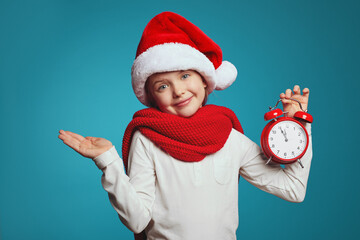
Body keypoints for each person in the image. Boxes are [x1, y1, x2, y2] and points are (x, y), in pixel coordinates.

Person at [58, 12, 312, 240]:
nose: (178, 91)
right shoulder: (146, 139)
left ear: (204, 80)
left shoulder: (230, 138)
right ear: (152, 97)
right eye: (163, 85)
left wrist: (298, 126)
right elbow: (137, 220)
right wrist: (109, 162)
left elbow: (293, 189)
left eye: (185, 75)